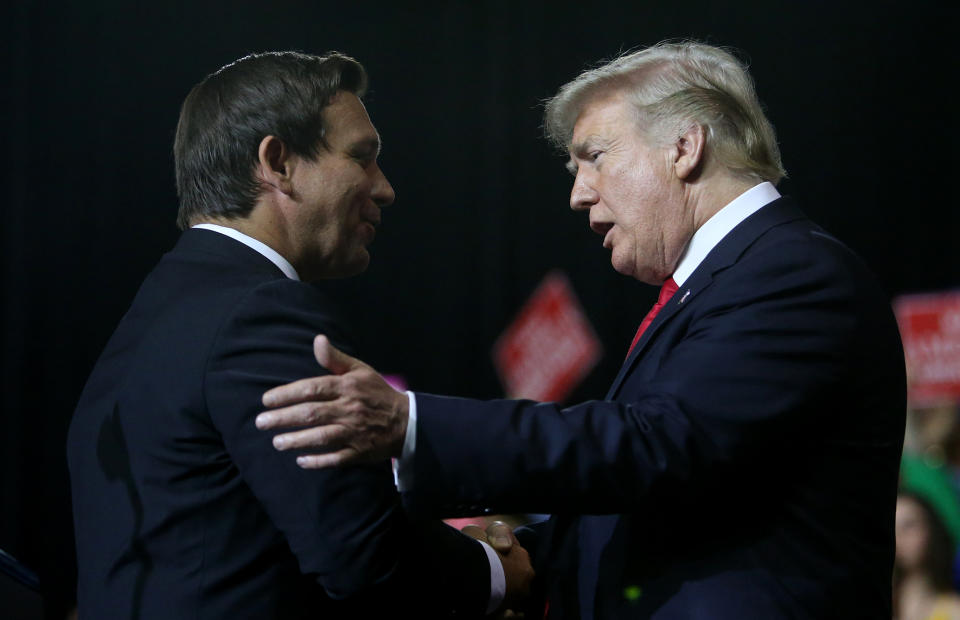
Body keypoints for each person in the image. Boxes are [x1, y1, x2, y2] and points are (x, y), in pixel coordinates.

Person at [256, 41, 907, 618]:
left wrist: (411, 424)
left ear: (685, 146)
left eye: (593, 157)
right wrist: (519, 560)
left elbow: (656, 447)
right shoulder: (715, 286)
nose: (578, 194)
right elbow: (665, 498)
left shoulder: (793, 272)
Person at [66, 51, 531, 619]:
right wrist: (496, 572)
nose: (384, 189)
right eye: (362, 157)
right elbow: (362, 556)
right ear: (278, 162)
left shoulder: (164, 309)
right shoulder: (257, 314)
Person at [895, 491, 960, 620]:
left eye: (909, 525)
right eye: (892, 528)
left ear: (931, 531)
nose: (898, 537)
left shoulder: (953, 610)